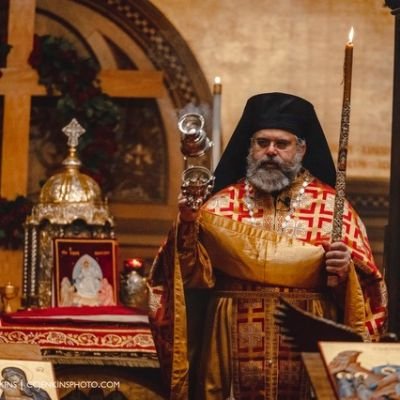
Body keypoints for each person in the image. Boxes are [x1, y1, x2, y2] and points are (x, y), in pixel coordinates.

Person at [148, 93, 388, 399]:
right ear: (250, 147)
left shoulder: (333, 209)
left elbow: (368, 293)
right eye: (262, 142)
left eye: (282, 144)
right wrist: (186, 225)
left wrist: (344, 274)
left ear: (301, 149)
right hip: (230, 343)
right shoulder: (218, 206)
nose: (271, 151)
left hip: (307, 343)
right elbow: (190, 279)